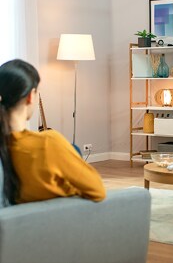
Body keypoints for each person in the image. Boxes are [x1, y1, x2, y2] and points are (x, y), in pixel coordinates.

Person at [0, 59, 105, 206]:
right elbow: (98, 191)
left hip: (17, 219)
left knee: (74, 149)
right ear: (31, 96)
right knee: (73, 149)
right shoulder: (48, 143)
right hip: (57, 220)